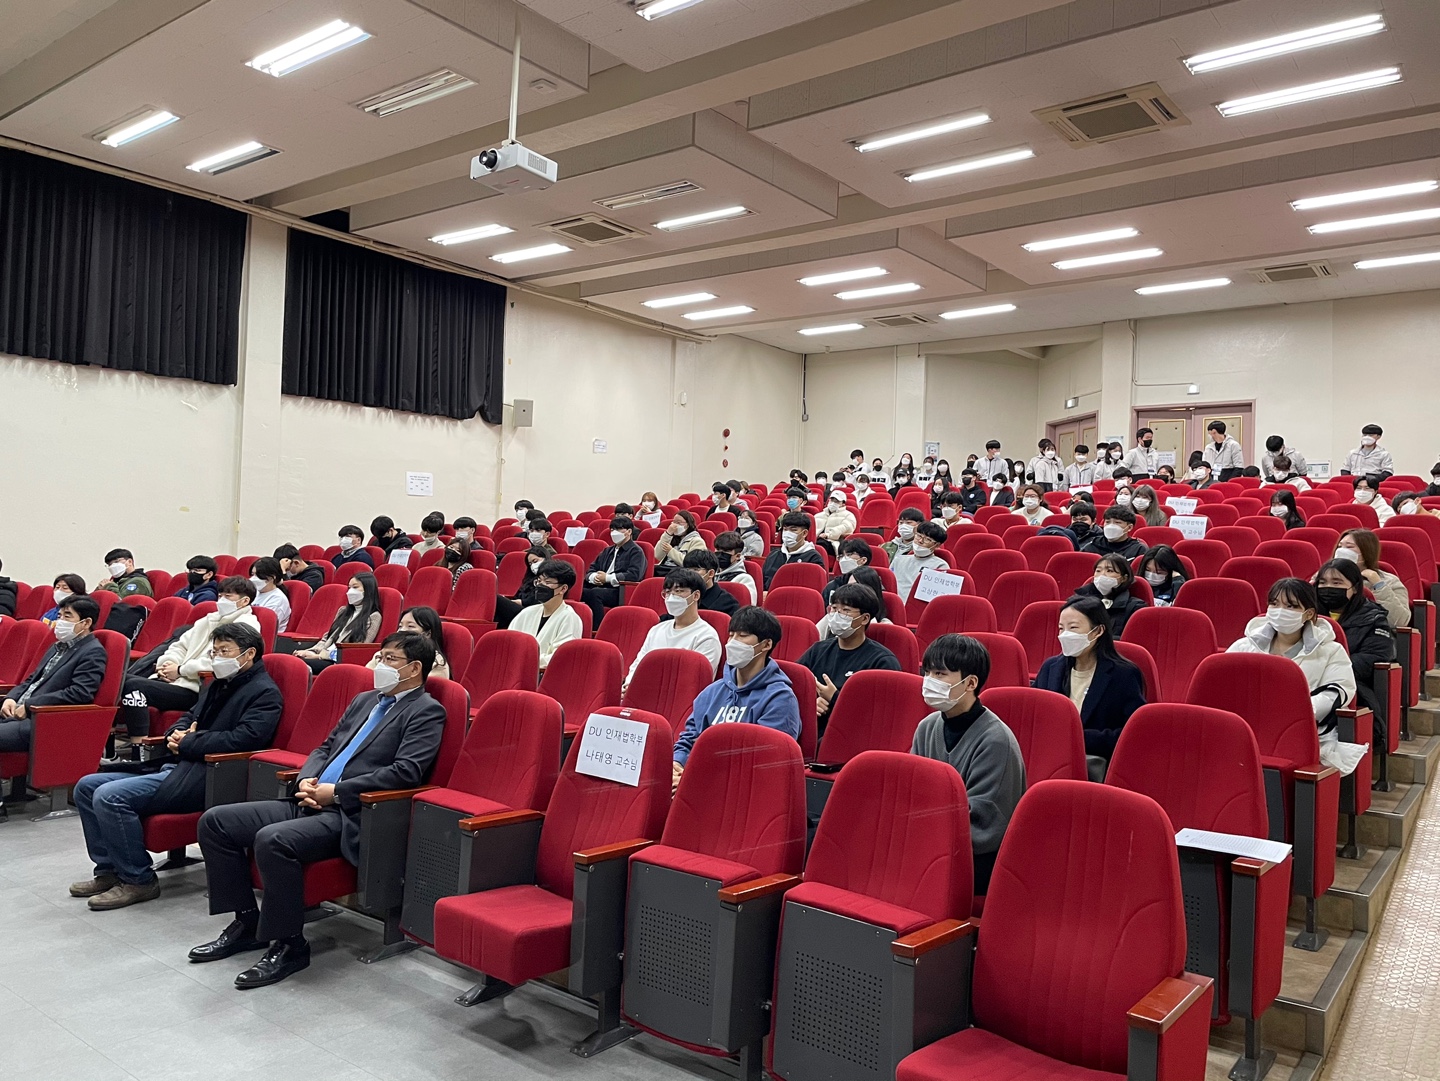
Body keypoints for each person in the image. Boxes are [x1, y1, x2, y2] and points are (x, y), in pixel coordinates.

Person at [191, 632, 444, 988]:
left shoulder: (426, 711)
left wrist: (336, 793)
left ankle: (290, 945)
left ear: (414, 668)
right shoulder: (365, 700)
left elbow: (405, 771)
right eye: (380, 656)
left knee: (273, 840)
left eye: (389, 659)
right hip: (309, 798)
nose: (379, 665)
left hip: (350, 814)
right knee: (216, 822)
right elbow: (325, 747)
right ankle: (247, 922)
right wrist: (306, 780)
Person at [68, 623, 281, 908]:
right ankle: (109, 871)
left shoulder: (265, 693)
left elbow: (245, 739)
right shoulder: (218, 684)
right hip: (179, 764)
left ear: (249, 654)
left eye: (225, 651)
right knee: (86, 786)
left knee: (110, 796)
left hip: (209, 775)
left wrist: (189, 742)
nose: (218, 657)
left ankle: (139, 880)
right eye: (215, 651)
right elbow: (188, 716)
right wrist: (175, 734)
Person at [911, 633, 1026, 893]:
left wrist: (923, 834)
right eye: (927, 673)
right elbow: (914, 793)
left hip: (974, 859)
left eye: (940, 674)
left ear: (970, 682)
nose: (929, 681)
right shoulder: (926, 727)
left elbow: (984, 823)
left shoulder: (996, 740)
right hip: (931, 844)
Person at [1226, 579, 1363, 774]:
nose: (1280, 611)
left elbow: (1337, 691)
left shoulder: (1330, 650)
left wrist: (1293, 713)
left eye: (1291, 606)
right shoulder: (1243, 646)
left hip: (1302, 729)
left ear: (1309, 613)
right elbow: (1223, 686)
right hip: (1248, 727)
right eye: (1274, 604)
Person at [116, 578, 261, 743]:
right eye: (220, 595)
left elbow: (223, 662)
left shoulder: (246, 626)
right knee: (120, 680)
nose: (221, 600)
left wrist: (180, 670)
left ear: (245, 601)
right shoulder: (209, 619)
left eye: (228, 596)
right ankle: (111, 742)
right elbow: (179, 646)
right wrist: (168, 664)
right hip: (174, 680)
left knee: (133, 686)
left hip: (197, 688)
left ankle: (139, 748)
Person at [671, 607, 800, 791]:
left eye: (742, 636)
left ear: (766, 644)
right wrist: (677, 765)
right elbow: (688, 739)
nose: (732, 643)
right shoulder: (712, 692)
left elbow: (764, 760)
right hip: (695, 780)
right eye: (731, 635)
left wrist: (695, 777)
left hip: (741, 789)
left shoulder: (780, 699)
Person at [1034, 596, 1146, 778]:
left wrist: (1077, 739)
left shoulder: (1123, 675)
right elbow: (1036, 718)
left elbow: (1132, 733)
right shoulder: (1050, 668)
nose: (1065, 635)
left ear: (1098, 631)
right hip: (1047, 761)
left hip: (1095, 766)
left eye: (1073, 628)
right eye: (1061, 628)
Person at [0, 595, 107, 766]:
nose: (60, 621)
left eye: (67, 616)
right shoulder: (56, 646)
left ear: (86, 623)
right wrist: (11, 698)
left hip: (40, 721)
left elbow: (80, 693)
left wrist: (29, 706)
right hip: (16, 712)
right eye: (59, 616)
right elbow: (32, 679)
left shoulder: (93, 652)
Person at [798, 584, 901, 728]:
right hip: (812, 728)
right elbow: (795, 684)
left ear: (865, 618)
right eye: (834, 609)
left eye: (846, 611)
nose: (837, 615)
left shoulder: (882, 662)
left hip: (854, 732)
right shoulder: (818, 650)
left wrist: (835, 698)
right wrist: (810, 703)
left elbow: (879, 714)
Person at [1316, 559, 1396, 719]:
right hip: (1308, 680)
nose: (1328, 587)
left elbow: (1374, 656)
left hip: (1351, 685)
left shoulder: (1373, 618)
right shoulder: (1307, 614)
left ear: (1354, 588)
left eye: (1337, 583)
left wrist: (1326, 670)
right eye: (1322, 582)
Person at [623, 569, 723, 691]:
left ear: (696, 595)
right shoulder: (656, 630)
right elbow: (638, 664)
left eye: (678, 591)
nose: (671, 598)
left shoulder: (706, 637)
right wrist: (629, 685)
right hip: (642, 692)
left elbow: (695, 681)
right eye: (668, 592)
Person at [294, 573, 381, 675]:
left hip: (337, 661)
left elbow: (358, 648)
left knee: (298, 666)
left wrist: (319, 656)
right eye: (349, 588)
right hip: (323, 655)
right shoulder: (343, 611)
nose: (350, 591)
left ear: (368, 590)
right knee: (291, 660)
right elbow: (327, 637)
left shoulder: (374, 616)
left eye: (355, 587)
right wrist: (311, 651)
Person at [509, 560, 582, 671]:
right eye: (539, 581)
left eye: (547, 582)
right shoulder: (527, 612)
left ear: (563, 589)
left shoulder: (570, 618)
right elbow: (510, 643)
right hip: (515, 669)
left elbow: (562, 657)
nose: (541, 586)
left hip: (546, 675)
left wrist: (527, 661)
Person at [1335, 528, 1410, 627]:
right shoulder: (1324, 577)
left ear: (1366, 552)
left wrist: (1378, 585)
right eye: (1339, 546)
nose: (1341, 551)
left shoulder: (1389, 581)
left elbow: (1400, 621)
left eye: (1349, 547)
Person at [585, 516, 648, 625]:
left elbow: (634, 575)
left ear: (629, 532)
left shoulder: (636, 551)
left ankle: (597, 629)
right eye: (612, 529)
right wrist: (594, 577)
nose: (614, 533)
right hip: (601, 586)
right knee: (581, 591)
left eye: (618, 529)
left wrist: (607, 578)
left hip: (620, 590)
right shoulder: (607, 550)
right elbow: (592, 568)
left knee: (595, 594)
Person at [1069, 553, 1147, 638]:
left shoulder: (1134, 607)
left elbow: (1130, 639)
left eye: (1109, 571)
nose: (1102, 575)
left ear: (1124, 578)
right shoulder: (1078, 601)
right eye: (1098, 571)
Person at [762, 511, 826, 588]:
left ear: (804, 533)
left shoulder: (813, 558)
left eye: (793, 530)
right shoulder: (773, 555)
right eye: (785, 529)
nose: (788, 534)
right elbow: (763, 582)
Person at [892, 521, 950, 602]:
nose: (920, 541)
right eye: (918, 536)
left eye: (927, 539)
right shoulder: (899, 559)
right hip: (894, 603)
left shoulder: (940, 565)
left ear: (937, 545)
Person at [684, 550, 741, 616]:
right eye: (687, 570)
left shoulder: (728, 604)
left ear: (711, 573)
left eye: (696, 569)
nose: (690, 574)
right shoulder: (682, 597)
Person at [1080, 506, 1147, 560]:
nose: (1111, 526)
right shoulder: (1091, 546)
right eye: (1108, 522)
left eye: (1117, 522)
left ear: (1129, 527)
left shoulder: (1138, 549)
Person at [822, 538, 874, 604]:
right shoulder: (832, 586)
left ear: (863, 560)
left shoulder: (872, 582)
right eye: (841, 556)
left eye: (849, 555)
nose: (843, 559)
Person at [655, 509, 707, 574]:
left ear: (688, 525)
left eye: (679, 523)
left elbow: (692, 564)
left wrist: (671, 551)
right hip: (663, 569)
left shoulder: (697, 541)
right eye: (674, 522)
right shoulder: (670, 538)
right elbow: (658, 555)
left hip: (681, 573)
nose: (675, 525)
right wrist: (668, 534)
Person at [248, 558, 292, 633]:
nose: (253, 578)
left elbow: (265, 625)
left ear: (272, 578)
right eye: (253, 574)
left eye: (257, 575)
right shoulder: (255, 592)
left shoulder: (278, 600)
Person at [714, 532, 758, 604]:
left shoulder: (744, 579)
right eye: (718, 550)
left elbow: (749, 606)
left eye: (726, 551)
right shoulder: (709, 574)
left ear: (737, 556)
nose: (720, 555)